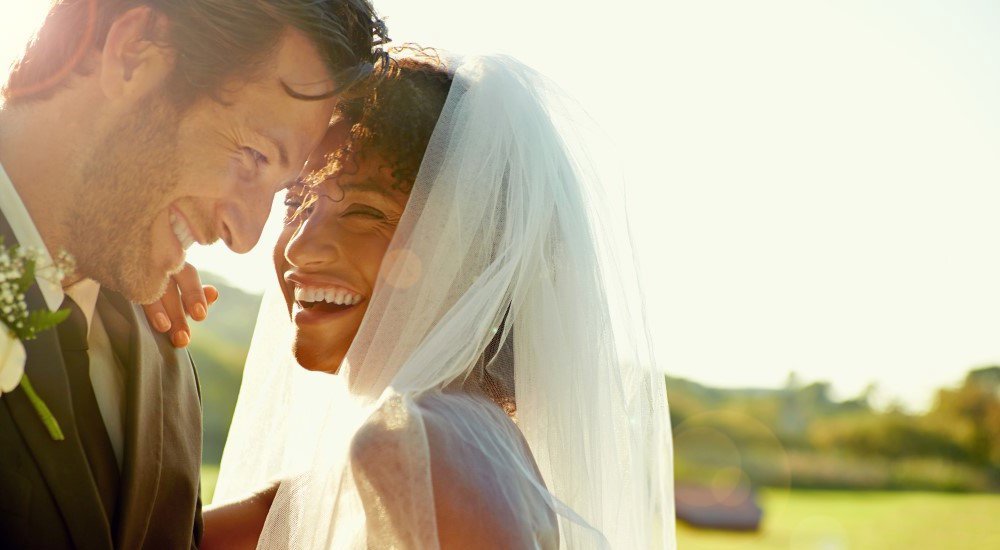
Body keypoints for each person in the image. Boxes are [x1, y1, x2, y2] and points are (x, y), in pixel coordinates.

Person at [198, 52, 676, 549]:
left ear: (468, 251)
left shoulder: (410, 444)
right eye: (296, 204)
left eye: (365, 212)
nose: (300, 248)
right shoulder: (452, 440)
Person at [0, 1, 385, 548]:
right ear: (135, 54)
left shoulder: (165, 359)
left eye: (280, 192)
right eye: (254, 155)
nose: (244, 236)